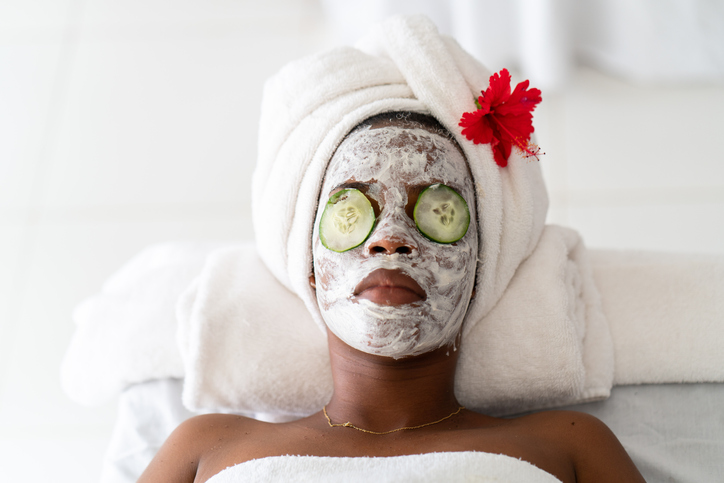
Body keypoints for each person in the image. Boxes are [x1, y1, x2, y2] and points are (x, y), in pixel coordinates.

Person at [139, 15, 646, 482]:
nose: (391, 237)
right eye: (353, 212)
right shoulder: (207, 447)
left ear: (478, 267)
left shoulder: (566, 446)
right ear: (309, 264)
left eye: (437, 212)